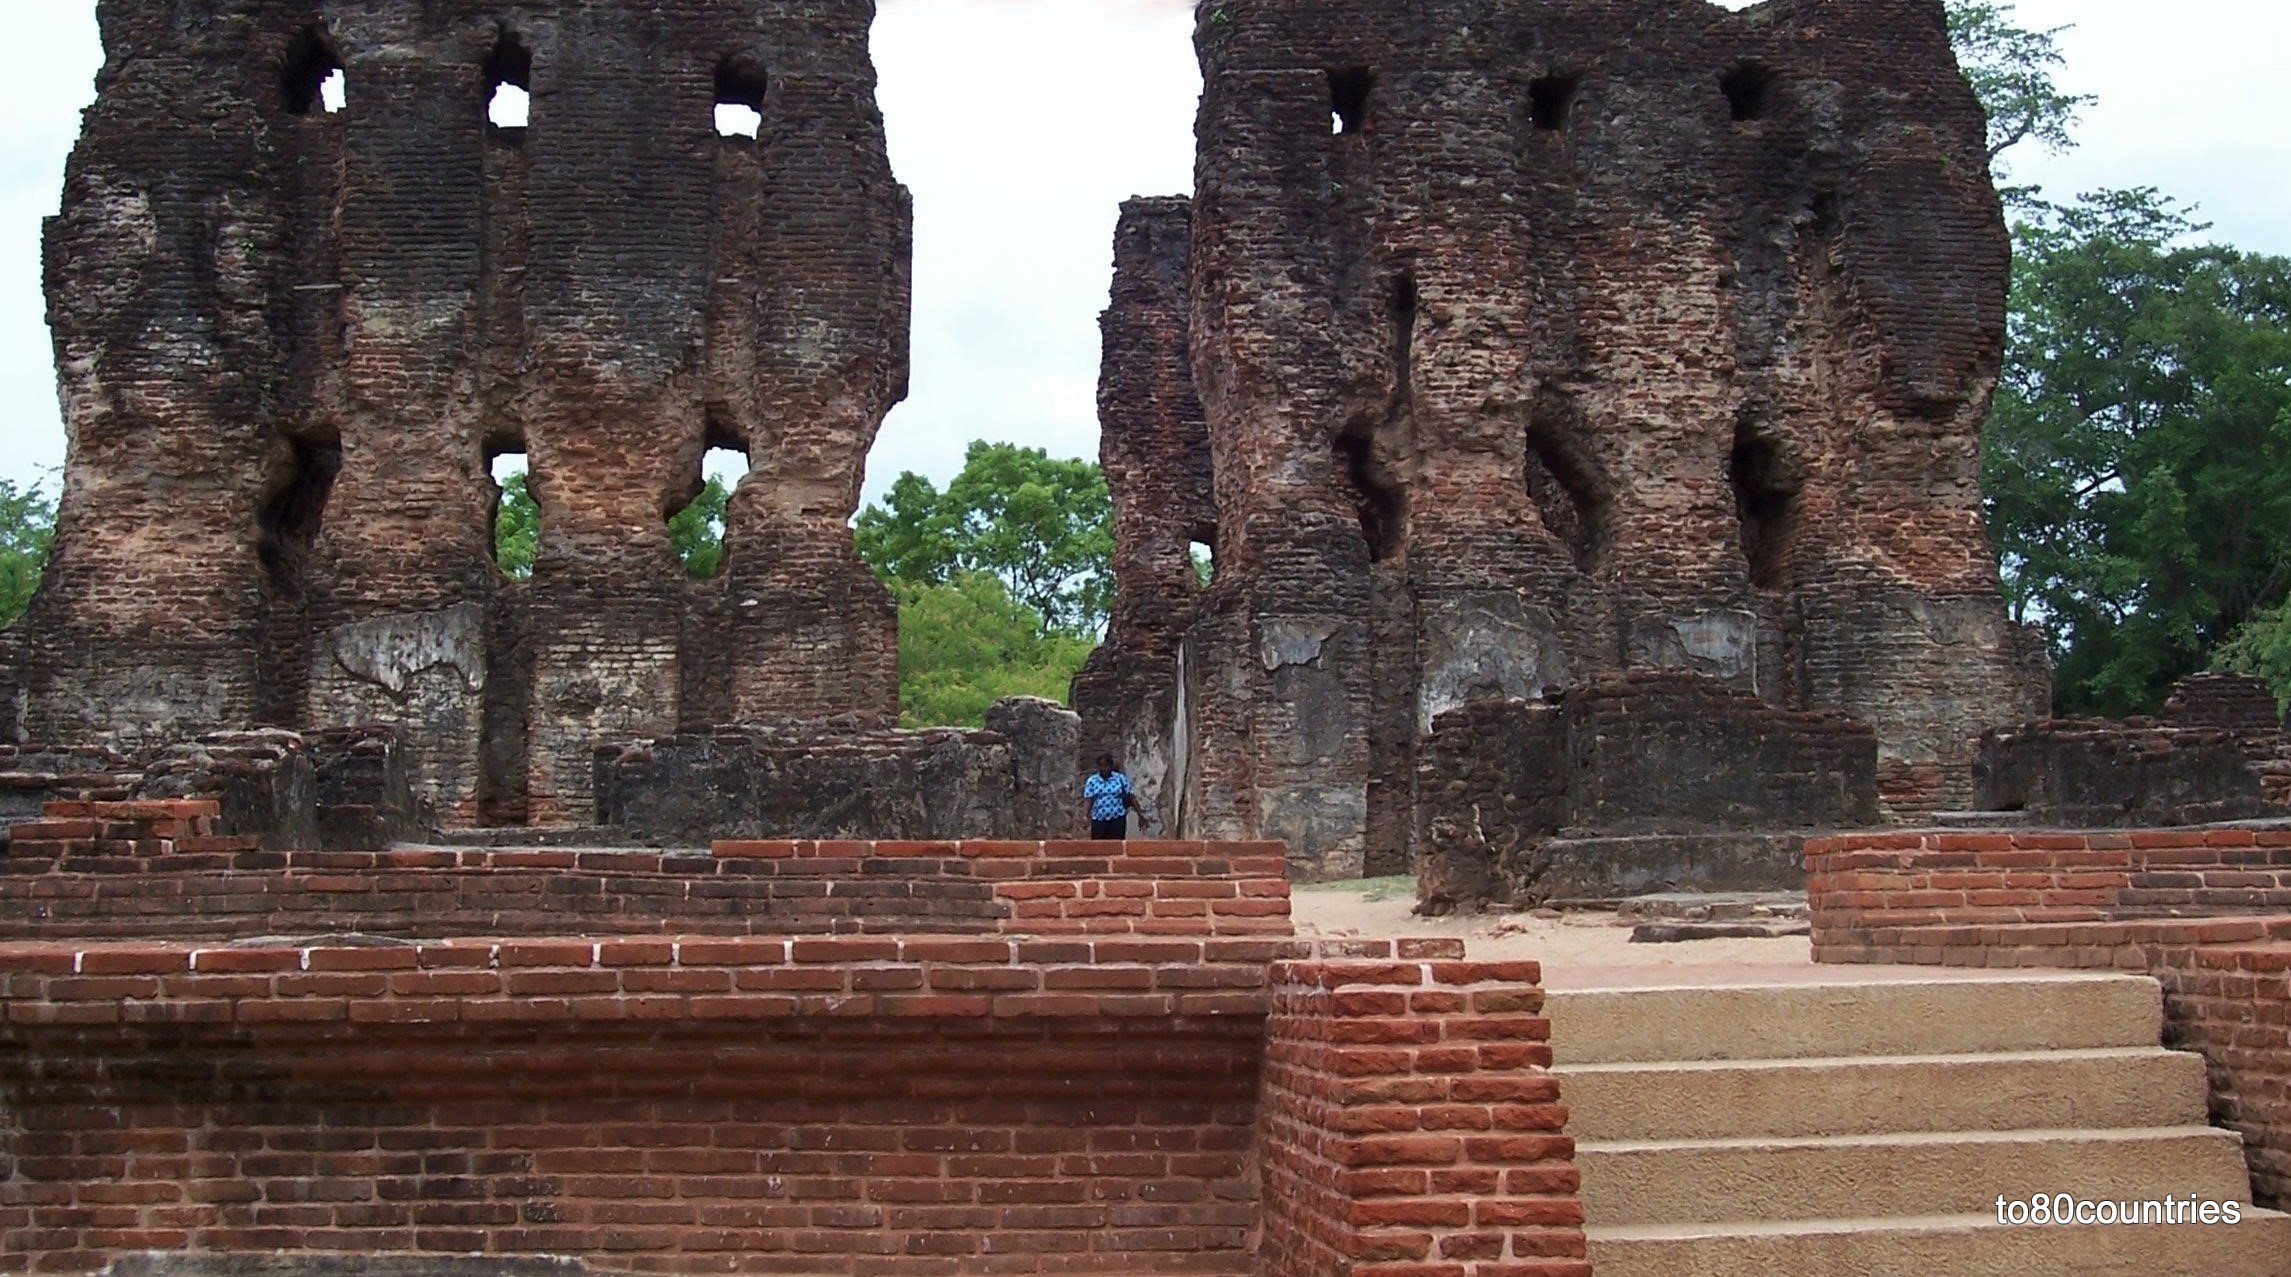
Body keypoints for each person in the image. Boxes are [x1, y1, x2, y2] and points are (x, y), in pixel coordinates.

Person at [1083, 752, 1146, 841]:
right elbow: (1088, 799)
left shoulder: (1120, 779)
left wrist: (1140, 815)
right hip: (1098, 819)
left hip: (1117, 818)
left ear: (1111, 766)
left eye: (1106, 765)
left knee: (1117, 845)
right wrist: (1085, 815)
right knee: (1098, 846)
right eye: (1101, 766)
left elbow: (1131, 797)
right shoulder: (1092, 781)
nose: (1104, 768)